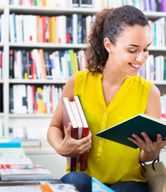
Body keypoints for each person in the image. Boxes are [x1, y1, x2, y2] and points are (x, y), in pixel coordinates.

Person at [47, 5, 166, 192]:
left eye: (146, 49)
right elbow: (54, 127)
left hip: (129, 182)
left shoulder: (150, 92)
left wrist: (151, 153)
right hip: (85, 178)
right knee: (74, 180)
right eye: (133, 50)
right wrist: (61, 147)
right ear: (109, 45)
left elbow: (145, 156)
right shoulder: (77, 82)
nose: (142, 58)